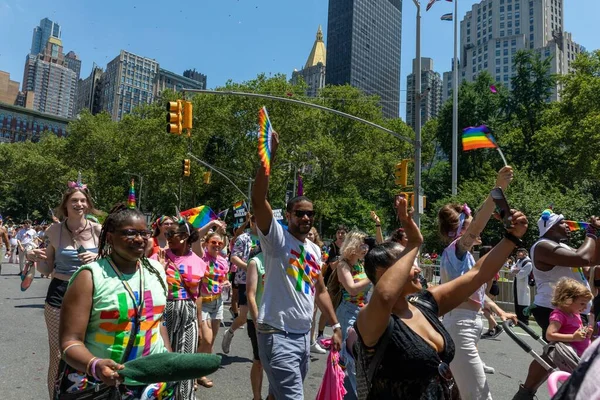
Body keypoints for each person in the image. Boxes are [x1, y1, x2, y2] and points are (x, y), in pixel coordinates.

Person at [354, 195, 528, 400]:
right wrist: (414, 243)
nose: (418, 268)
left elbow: (478, 274)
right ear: (384, 273)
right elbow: (384, 296)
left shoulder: (425, 304)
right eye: (408, 262)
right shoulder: (369, 319)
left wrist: (512, 238)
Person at [251, 129, 342, 400]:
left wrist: (336, 326)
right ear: (288, 215)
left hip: (303, 336)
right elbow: (258, 200)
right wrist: (270, 155)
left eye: (310, 214)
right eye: (300, 213)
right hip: (277, 334)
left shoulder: (314, 250)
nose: (305, 218)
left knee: (278, 395)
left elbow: (321, 290)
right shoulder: (277, 239)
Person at [57, 204, 176, 399]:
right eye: (129, 233)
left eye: (144, 233)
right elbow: (70, 341)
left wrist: (168, 359)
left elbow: (156, 322)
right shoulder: (90, 277)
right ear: (110, 237)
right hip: (99, 384)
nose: (139, 239)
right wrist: (95, 365)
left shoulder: (157, 271)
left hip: (152, 384)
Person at [438, 166, 516, 399]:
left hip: (469, 325)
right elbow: (478, 225)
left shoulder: (467, 256)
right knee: (480, 396)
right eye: (469, 225)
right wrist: (499, 189)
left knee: (462, 395)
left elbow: (474, 295)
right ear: (460, 230)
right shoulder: (456, 250)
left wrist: (501, 312)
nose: (476, 229)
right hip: (460, 326)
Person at [512, 209, 600, 400]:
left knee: (556, 353)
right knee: (561, 353)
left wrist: (597, 236)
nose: (568, 227)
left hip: (573, 308)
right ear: (550, 227)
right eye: (562, 223)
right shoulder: (542, 246)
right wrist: (591, 233)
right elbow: (582, 258)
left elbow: (592, 260)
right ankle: (569, 391)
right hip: (554, 308)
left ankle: (526, 393)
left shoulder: (563, 248)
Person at [27, 183, 101, 399]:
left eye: (82, 200)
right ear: (65, 205)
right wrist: (34, 258)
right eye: (74, 200)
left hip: (92, 294)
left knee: (90, 350)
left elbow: (113, 264)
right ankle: (55, 396)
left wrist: (98, 258)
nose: (79, 204)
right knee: (59, 354)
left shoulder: (98, 230)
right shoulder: (54, 230)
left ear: (88, 204)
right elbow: (46, 268)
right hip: (59, 293)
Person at [158, 219, 206, 400]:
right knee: (165, 357)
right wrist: (160, 269)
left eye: (171, 234)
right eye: (166, 234)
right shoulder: (160, 256)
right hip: (166, 308)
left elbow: (198, 295)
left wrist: (200, 324)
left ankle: (185, 397)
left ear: (185, 237)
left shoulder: (199, 262)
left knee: (186, 359)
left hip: (189, 311)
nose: (167, 237)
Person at [335, 230, 372, 398]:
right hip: (348, 312)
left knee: (358, 357)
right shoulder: (343, 264)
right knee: (351, 357)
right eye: (361, 244)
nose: (365, 248)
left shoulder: (361, 264)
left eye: (365, 245)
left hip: (362, 313)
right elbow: (351, 288)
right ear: (353, 246)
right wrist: (373, 277)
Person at [221, 215, 260, 354]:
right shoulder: (243, 238)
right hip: (246, 280)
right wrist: (249, 267)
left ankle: (260, 350)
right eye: (256, 220)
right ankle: (230, 332)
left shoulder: (268, 239)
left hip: (263, 281)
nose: (259, 223)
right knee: (243, 317)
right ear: (252, 221)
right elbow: (234, 257)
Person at [196, 231, 230, 389]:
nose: (217, 245)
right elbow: (196, 237)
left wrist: (226, 284)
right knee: (205, 340)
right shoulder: (201, 258)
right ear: (206, 244)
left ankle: (198, 371)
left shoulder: (223, 261)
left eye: (220, 243)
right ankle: (196, 372)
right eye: (213, 242)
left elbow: (225, 278)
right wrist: (212, 226)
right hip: (203, 303)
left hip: (218, 303)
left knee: (211, 341)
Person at [547, 277, 593, 357]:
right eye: (582, 304)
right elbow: (550, 335)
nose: (585, 308)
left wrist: (585, 333)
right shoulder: (559, 315)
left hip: (582, 356)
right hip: (570, 357)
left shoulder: (575, 314)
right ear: (568, 300)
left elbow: (576, 332)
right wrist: (573, 337)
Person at [246, 250, 266, 400]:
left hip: (277, 320)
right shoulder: (256, 262)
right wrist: (257, 320)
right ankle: (257, 397)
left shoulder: (281, 260)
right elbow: (251, 294)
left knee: (275, 363)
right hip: (259, 319)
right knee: (259, 361)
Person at [308, 226, 328, 354]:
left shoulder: (317, 250)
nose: (309, 236)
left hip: (316, 285)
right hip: (305, 286)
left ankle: (312, 341)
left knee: (313, 314)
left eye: (311, 234)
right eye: (308, 234)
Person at [479, 245, 504, 339]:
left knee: (484, 309)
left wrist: (486, 291)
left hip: (490, 287)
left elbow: (490, 279)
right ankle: (491, 329)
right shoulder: (494, 261)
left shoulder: (488, 263)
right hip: (494, 286)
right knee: (488, 309)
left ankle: (496, 326)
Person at [510, 248, 533, 325]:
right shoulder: (519, 261)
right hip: (517, 284)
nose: (518, 254)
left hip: (523, 285)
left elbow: (521, 275)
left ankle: (524, 321)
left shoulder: (528, 263)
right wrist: (516, 271)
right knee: (517, 301)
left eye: (520, 252)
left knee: (523, 302)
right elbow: (512, 270)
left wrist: (516, 271)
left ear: (525, 253)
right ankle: (518, 319)